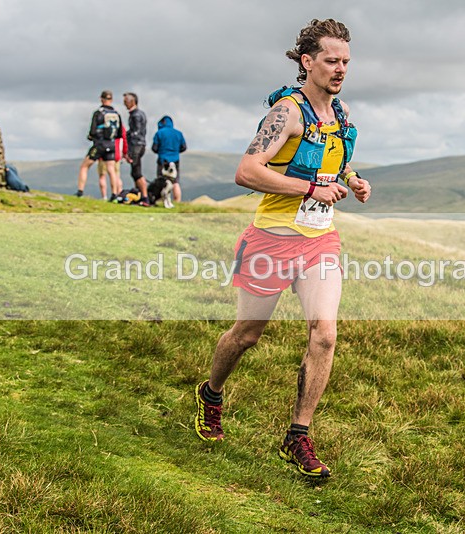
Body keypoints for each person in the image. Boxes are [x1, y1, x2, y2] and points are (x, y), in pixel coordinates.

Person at [193, 19, 371, 479]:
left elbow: (337, 161)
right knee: (247, 335)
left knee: (325, 333)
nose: (340, 69)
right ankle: (211, 394)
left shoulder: (343, 114)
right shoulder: (286, 114)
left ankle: (298, 436)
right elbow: (247, 171)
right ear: (307, 62)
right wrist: (309, 188)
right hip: (271, 240)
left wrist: (352, 180)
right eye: (331, 61)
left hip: (319, 241)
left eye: (346, 61)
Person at [76, 90, 123, 198]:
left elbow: (92, 132)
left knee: (85, 166)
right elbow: (120, 133)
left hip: (100, 144)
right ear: (111, 100)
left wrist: (91, 137)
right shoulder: (117, 114)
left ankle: (80, 191)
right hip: (112, 144)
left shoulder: (98, 113)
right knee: (111, 169)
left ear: (101, 99)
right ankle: (114, 194)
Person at [151, 115, 187, 204]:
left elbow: (154, 148)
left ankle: (162, 200)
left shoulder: (159, 133)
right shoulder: (178, 133)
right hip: (175, 160)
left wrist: (161, 151)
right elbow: (184, 147)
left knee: (162, 181)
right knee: (175, 181)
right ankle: (177, 201)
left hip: (163, 160)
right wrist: (175, 152)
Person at [123, 92, 150, 206]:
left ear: (132, 101)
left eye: (126, 101)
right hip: (140, 144)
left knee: (136, 172)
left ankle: (145, 197)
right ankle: (140, 196)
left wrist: (129, 149)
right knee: (135, 171)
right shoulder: (140, 114)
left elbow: (136, 132)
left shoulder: (135, 115)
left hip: (136, 145)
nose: (124, 104)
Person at [97, 125, 128, 200]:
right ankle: (119, 196)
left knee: (102, 175)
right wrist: (124, 152)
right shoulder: (120, 126)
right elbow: (124, 140)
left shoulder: (102, 124)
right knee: (116, 175)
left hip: (103, 153)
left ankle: (104, 197)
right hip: (116, 153)